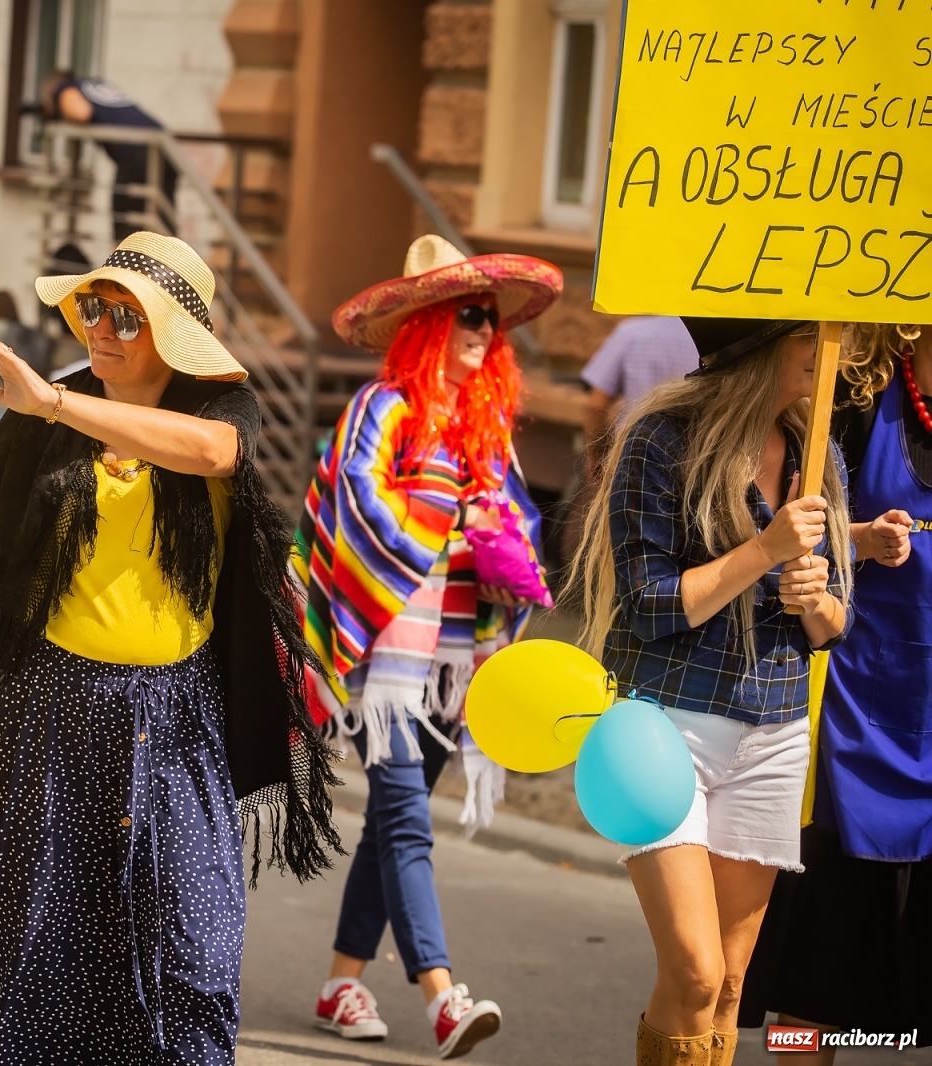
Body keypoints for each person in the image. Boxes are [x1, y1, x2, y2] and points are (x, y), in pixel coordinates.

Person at [0, 231, 338, 1063]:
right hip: (43, 717)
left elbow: (214, 456)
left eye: (128, 317)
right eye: (94, 308)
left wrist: (53, 403)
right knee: (42, 967)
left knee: (194, 952)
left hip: (176, 720)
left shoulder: (214, 411)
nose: (101, 329)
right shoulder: (36, 425)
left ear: (171, 333)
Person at [297, 235, 562, 1057]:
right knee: (408, 822)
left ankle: (342, 981)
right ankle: (443, 998)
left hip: (458, 665)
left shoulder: (486, 428)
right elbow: (357, 512)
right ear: (426, 328)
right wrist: (450, 518)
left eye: (490, 321)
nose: (484, 333)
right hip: (390, 664)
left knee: (389, 825)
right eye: (467, 317)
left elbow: (520, 522)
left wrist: (504, 543)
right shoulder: (384, 410)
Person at [569, 319, 853, 1066]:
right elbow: (651, 605)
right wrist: (765, 551)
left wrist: (815, 599)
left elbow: (832, 627)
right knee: (693, 971)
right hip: (663, 731)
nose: (836, 348)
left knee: (728, 985)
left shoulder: (821, 452)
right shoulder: (662, 439)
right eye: (815, 336)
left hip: (775, 731)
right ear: (765, 345)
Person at [736, 321, 930, 1057]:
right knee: (809, 967)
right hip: (850, 702)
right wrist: (861, 537)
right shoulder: (851, 395)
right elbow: (794, 531)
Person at [39, 70, 180, 240]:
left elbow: (81, 113)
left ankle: (123, 265)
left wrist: (60, 108)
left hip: (137, 152)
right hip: (165, 149)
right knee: (162, 227)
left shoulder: (65, 88)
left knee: (125, 230)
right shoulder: (95, 85)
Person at [581, 316, 699, 479]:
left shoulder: (631, 333)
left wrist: (596, 455)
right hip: (693, 457)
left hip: (632, 452)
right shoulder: (711, 339)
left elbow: (596, 404)